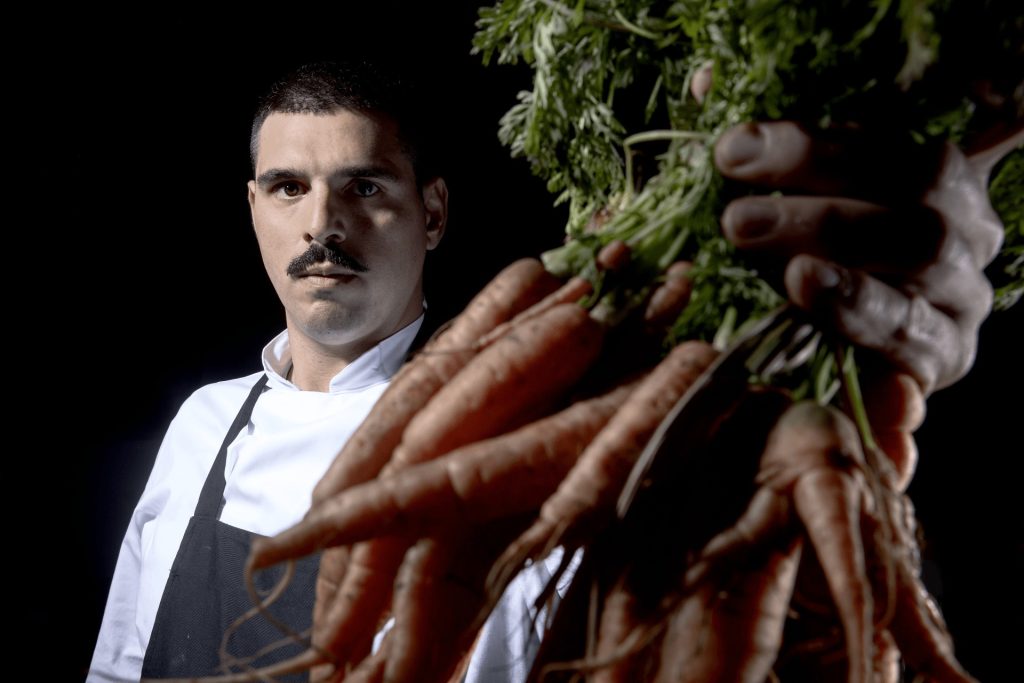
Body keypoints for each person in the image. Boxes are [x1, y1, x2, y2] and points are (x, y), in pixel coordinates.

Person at [88, 55, 1014, 682]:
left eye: (365, 186)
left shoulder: (550, 435)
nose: (321, 224)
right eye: (289, 188)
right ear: (253, 207)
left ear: (435, 212)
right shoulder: (203, 425)